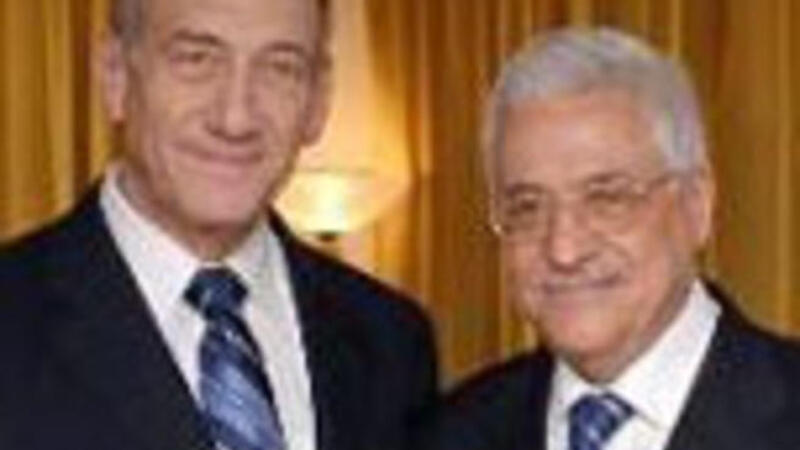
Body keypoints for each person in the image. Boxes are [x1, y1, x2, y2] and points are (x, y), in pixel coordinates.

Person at [0, 0, 437, 449]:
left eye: (280, 68)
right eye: (197, 60)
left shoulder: (389, 339)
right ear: (116, 75)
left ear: (319, 99)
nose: (236, 118)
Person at [420, 27, 800, 450]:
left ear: (696, 206)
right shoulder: (451, 433)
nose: (564, 250)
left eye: (606, 199)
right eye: (527, 207)